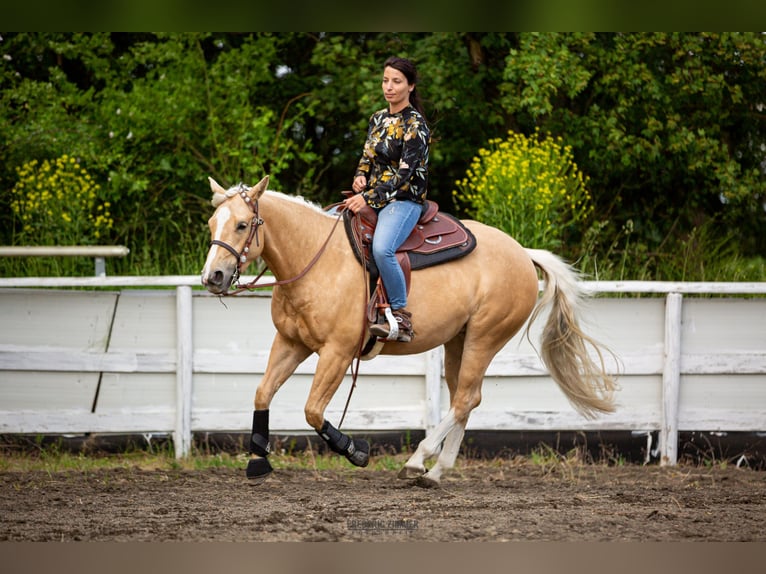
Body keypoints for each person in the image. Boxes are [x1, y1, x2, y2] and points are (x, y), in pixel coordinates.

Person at [343, 56, 430, 343]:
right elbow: (367, 158)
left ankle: (401, 316)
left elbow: (405, 174)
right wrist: (360, 177)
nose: (389, 87)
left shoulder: (416, 125)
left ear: (410, 86)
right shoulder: (378, 119)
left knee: (382, 249)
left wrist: (368, 198)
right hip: (373, 195)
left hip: (404, 200)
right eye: (385, 80)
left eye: (396, 81)